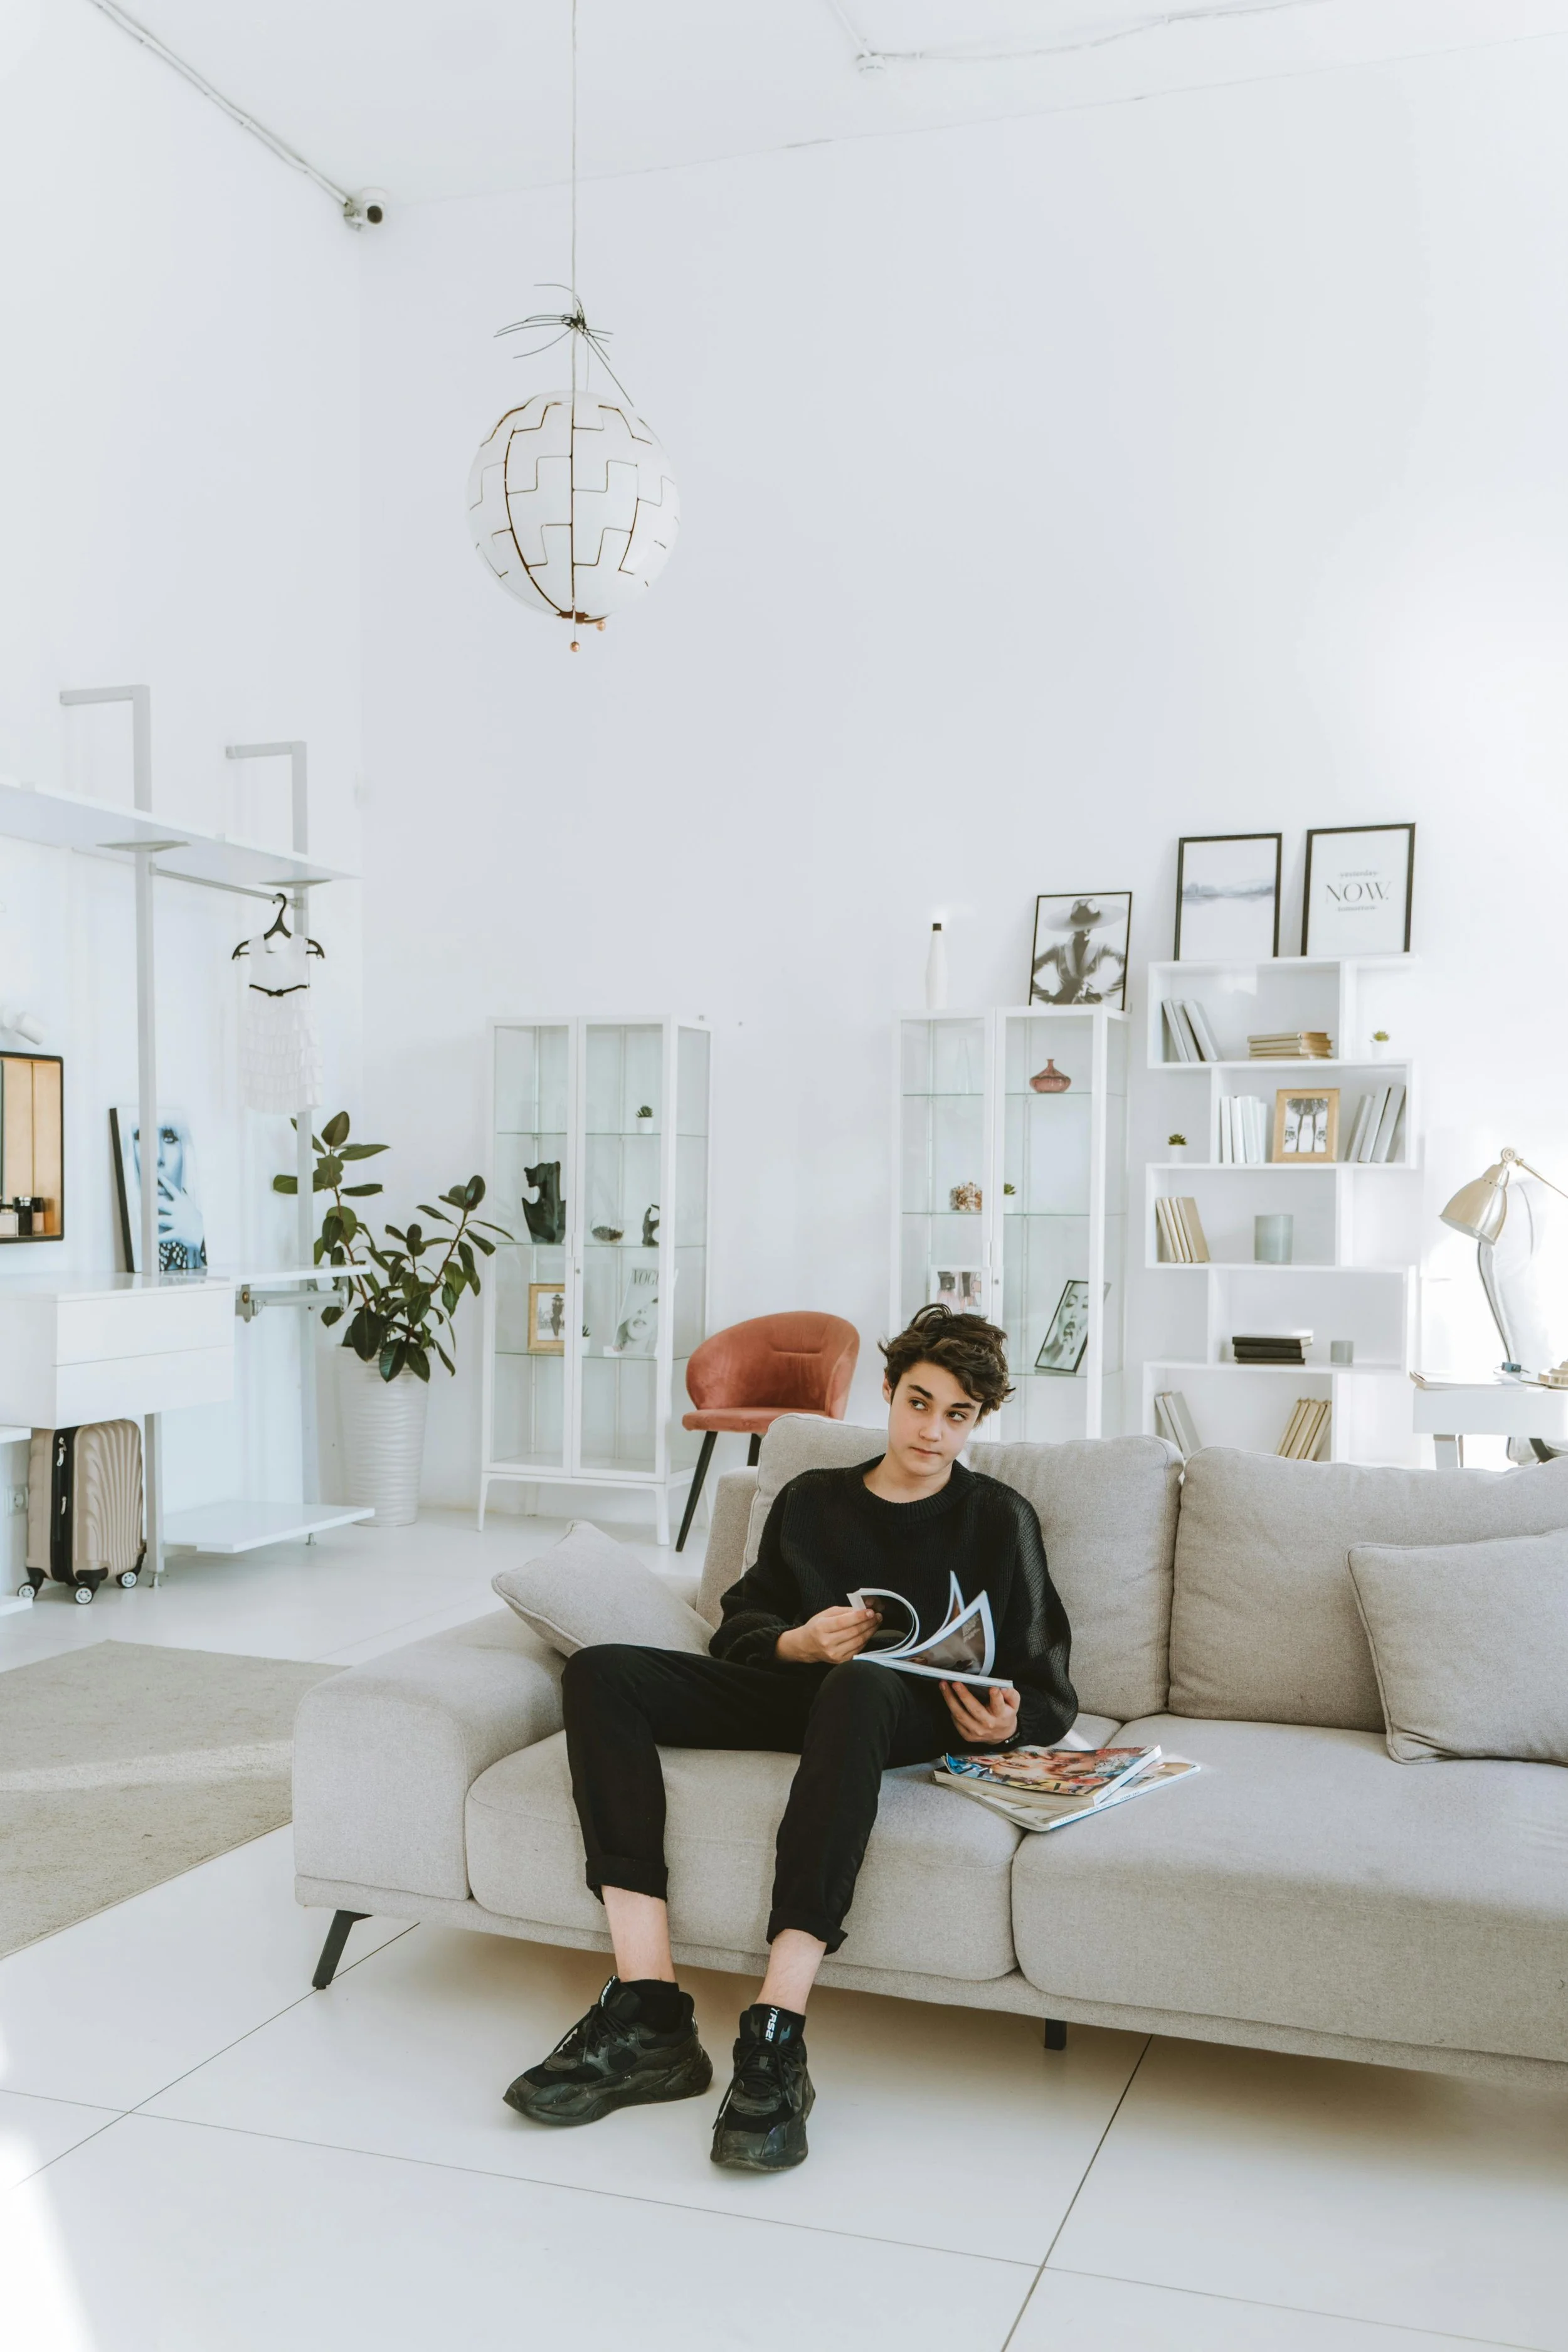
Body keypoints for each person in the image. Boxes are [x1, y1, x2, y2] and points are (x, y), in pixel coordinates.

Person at [503, 1303, 1076, 2171]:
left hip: (896, 1714)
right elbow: (741, 1618)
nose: (932, 1430)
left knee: (862, 1683)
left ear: (978, 1421)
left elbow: (1046, 1684)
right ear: (888, 1391)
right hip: (792, 1689)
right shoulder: (812, 1500)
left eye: (957, 1415)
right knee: (602, 1672)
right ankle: (649, 2007)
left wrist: (1012, 1723)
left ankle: (777, 2033)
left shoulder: (1001, 1519)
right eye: (919, 1402)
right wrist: (793, 1641)